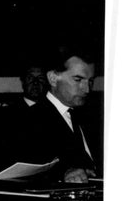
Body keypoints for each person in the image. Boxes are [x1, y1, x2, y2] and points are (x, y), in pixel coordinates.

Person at [16, 45, 101, 183]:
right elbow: (25, 172)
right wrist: (64, 174)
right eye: (78, 80)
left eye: (90, 81)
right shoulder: (28, 120)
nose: (87, 89)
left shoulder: (91, 116)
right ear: (53, 78)